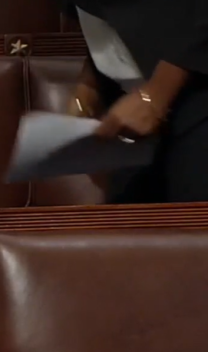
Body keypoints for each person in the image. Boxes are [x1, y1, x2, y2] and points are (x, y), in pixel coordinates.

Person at [64, 0, 208, 203]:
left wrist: (156, 95)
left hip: (195, 104)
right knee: (128, 225)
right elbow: (105, 20)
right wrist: (89, 86)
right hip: (129, 119)